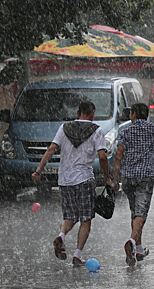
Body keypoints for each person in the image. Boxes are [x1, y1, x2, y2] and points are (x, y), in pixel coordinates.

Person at [32, 101, 111, 266]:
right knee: (85, 219)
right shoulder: (96, 130)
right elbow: (103, 157)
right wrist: (107, 178)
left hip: (65, 180)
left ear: (78, 112)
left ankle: (61, 236)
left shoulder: (64, 128)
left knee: (69, 216)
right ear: (92, 114)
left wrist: (39, 170)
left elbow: (51, 149)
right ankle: (77, 254)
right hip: (84, 179)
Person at [110, 103, 154, 267]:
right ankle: (131, 242)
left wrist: (114, 179)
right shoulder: (153, 128)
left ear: (133, 114)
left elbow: (118, 156)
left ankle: (139, 251)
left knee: (134, 213)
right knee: (141, 213)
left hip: (128, 177)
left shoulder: (125, 131)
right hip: (145, 176)